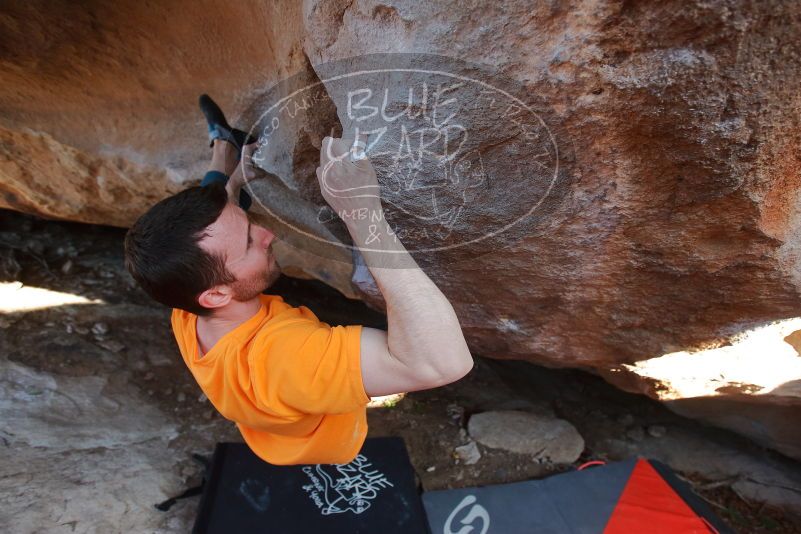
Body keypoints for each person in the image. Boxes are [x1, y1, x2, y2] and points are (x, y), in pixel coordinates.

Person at [124, 95, 473, 465]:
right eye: (248, 242)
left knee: (219, 219)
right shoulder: (285, 358)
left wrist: (231, 178)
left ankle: (224, 148)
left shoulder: (186, 306)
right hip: (327, 441)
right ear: (216, 294)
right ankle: (225, 151)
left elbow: (210, 231)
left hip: (271, 435)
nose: (267, 234)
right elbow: (441, 363)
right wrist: (363, 215)